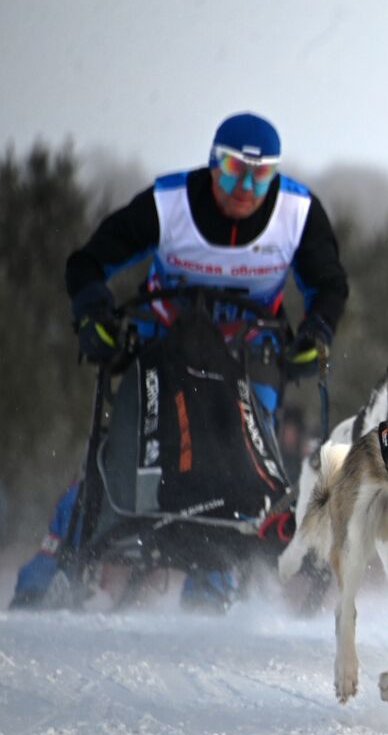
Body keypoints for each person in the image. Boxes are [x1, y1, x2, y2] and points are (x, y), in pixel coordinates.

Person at [10, 112, 349, 610]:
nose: (244, 188)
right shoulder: (169, 203)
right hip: (161, 353)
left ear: (275, 175)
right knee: (115, 456)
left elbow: (330, 285)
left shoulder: (297, 212)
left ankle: (211, 595)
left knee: (251, 470)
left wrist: (317, 332)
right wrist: (93, 314)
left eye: (260, 175)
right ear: (213, 165)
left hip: (248, 358)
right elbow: (87, 263)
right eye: (233, 171)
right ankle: (47, 578)